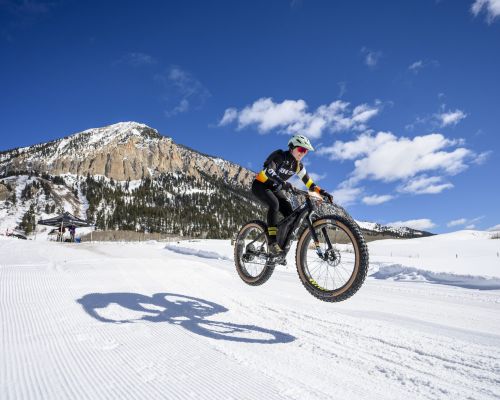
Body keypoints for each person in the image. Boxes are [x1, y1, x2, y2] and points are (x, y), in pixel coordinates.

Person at [251, 134, 333, 255]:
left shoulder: (298, 166)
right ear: (292, 147)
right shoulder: (280, 156)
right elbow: (268, 170)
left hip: (275, 188)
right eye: (301, 149)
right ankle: (272, 242)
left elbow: (309, 183)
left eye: (305, 151)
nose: (303, 153)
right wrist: (282, 182)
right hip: (261, 185)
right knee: (274, 204)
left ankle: (280, 243)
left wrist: (322, 192)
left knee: (290, 214)